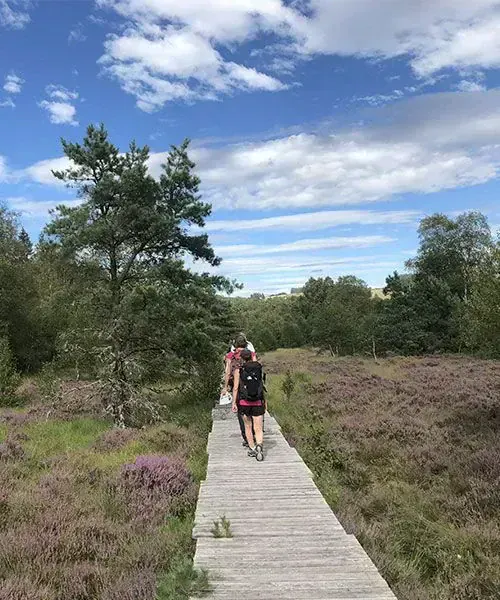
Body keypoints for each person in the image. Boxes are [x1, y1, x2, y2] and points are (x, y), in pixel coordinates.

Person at [223, 333, 257, 447]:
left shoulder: (230, 355)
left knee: (241, 412)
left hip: (237, 386)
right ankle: (255, 434)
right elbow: (256, 366)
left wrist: (225, 387)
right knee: (253, 410)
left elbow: (227, 372)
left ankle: (247, 437)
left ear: (235, 344)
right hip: (252, 385)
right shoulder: (251, 354)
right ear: (246, 344)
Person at [232, 348, 265, 461]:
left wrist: (234, 403)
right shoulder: (259, 369)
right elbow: (262, 385)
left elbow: (236, 388)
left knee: (248, 426)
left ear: (241, 358)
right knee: (258, 428)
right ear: (252, 356)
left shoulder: (238, 370)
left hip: (244, 402)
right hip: (258, 401)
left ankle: (252, 448)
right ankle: (259, 445)